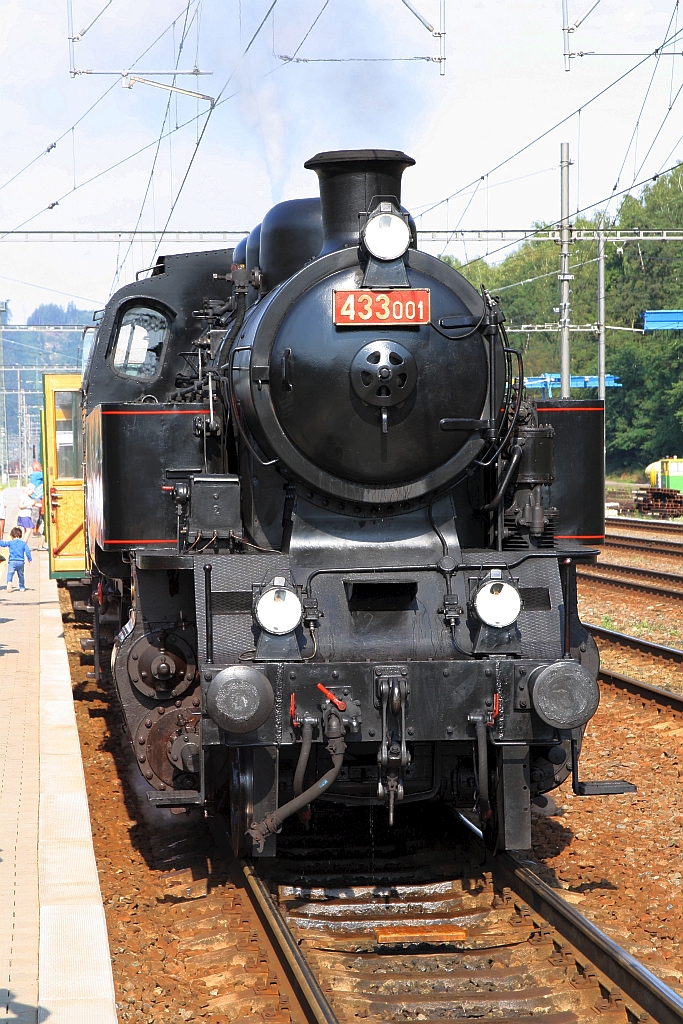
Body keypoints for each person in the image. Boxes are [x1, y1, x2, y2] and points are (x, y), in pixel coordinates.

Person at [6, 526, 32, 592]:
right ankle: (22, 587)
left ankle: (9, 582)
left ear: (12, 536)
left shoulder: (10, 542)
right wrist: (29, 559)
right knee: (21, 575)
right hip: (20, 562)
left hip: (12, 561)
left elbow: (3, 544)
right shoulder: (23, 543)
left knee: (10, 573)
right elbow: (27, 551)